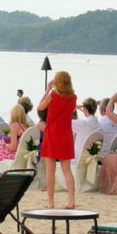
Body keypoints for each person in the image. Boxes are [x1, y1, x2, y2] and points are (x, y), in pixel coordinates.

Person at [38, 71, 77, 209]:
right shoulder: (73, 98)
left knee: (50, 169)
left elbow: (40, 107)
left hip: (52, 133)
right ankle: (72, 201)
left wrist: (48, 89)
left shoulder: (52, 96)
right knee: (67, 170)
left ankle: (51, 202)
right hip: (66, 134)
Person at [0, 104, 29, 181]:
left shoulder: (15, 126)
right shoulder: (27, 126)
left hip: (14, 154)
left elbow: (13, 147)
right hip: (22, 153)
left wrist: (4, 144)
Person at [71, 97, 101, 163]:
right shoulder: (99, 125)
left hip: (77, 160)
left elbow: (63, 120)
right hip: (92, 160)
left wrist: (73, 107)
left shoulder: (83, 123)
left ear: (85, 109)